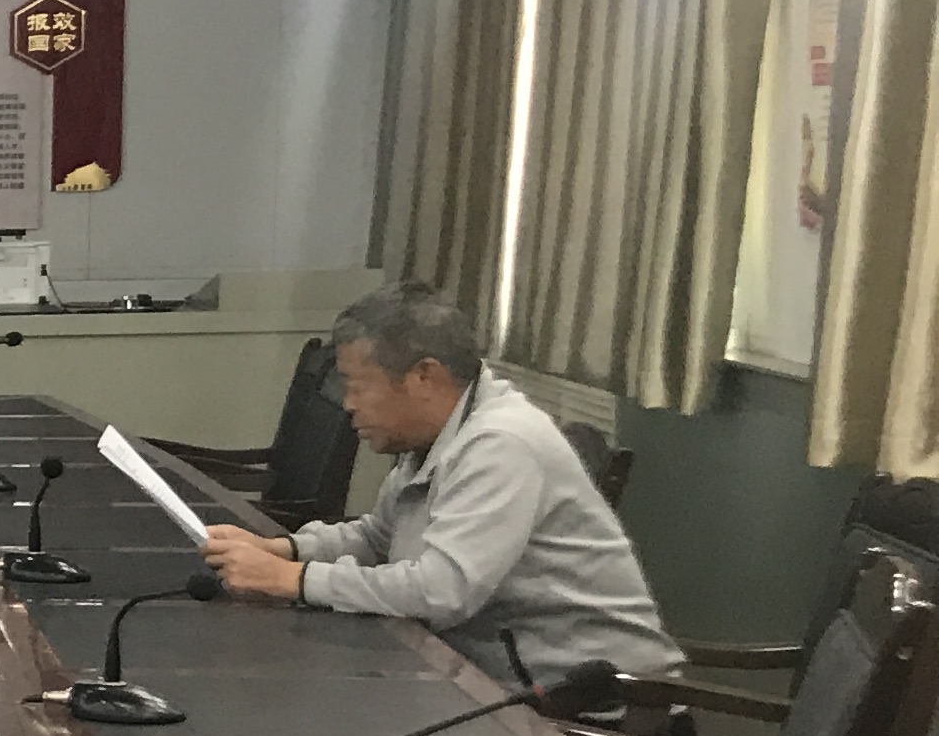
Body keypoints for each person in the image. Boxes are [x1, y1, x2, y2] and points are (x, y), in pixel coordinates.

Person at [199, 281, 673, 682]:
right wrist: (285, 550)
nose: (348, 405)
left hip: (596, 710)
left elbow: (441, 593)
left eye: (357, 385)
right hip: (496, 682)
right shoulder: (437, 434)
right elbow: (377, 539)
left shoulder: (501, 444)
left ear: (423, 376)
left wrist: (294, 580)